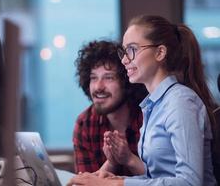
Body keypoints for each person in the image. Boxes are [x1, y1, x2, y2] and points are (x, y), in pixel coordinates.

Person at [68, 15, 218, 186]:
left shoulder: (181, 102)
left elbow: (190, 182)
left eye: (132, 49)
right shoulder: (153, 105)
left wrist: (116, 185)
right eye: (124, 51)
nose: (125, 59)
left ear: (160, 52)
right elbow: (160, 176)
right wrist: (119, 179)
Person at [73, 40, 147, 175]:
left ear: (126, 81)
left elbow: (165, 179)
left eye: (109, 77)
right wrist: (112, 163)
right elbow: (85, 183)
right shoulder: (86, 123)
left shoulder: (147, 117)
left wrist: (128, 159)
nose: (98, 87)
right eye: (93, 78)